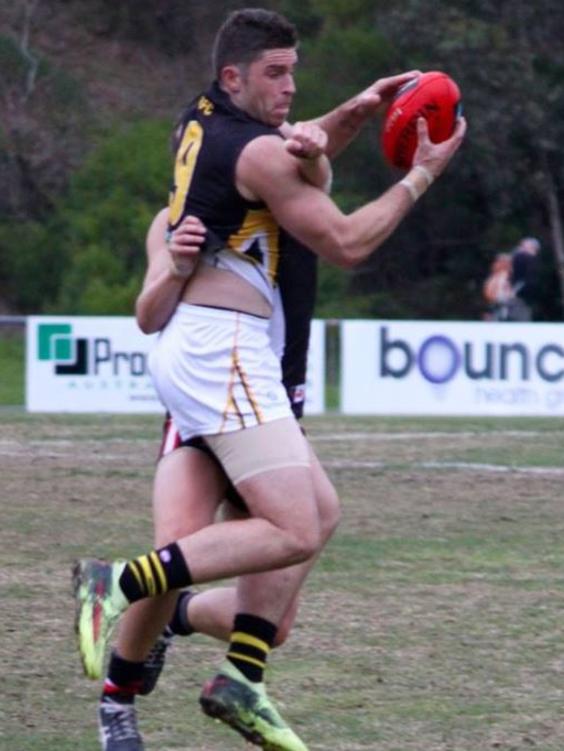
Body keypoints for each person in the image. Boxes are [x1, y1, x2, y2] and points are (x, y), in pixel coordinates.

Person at [73, 7, 466, 750]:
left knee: (306, 523)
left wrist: (346, 117)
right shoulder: (245, 178)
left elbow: (295, 149)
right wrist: (423, 173)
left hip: (247, 371)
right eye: (276, 75)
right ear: (233, 77)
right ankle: (114, 619)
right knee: (282, 529)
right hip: (219, 362)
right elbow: (345, 237)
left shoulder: (211, 134)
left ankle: (239, 675)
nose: (291, 93)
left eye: (295, 75)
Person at [99, 199, 334, 750]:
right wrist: (177, 268)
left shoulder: (301, 209)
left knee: (270, 630)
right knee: (175, 553)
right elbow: (147, 314)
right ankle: (117, 701)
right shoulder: (182, 218)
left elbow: (341, 225)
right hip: (204, 413)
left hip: (270, 412)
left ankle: (174, 621)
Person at [506, 236, 541, 321]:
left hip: (522, 293)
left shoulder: (525, 258)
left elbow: (525, 278)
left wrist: (514, 290)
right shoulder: (522, 257)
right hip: (522, 294)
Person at [482, 252, 513, 321]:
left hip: (501, 303)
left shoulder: (504, 276)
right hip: (495, 303)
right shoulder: (496, 277)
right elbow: (489, 292)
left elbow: (508, 291)